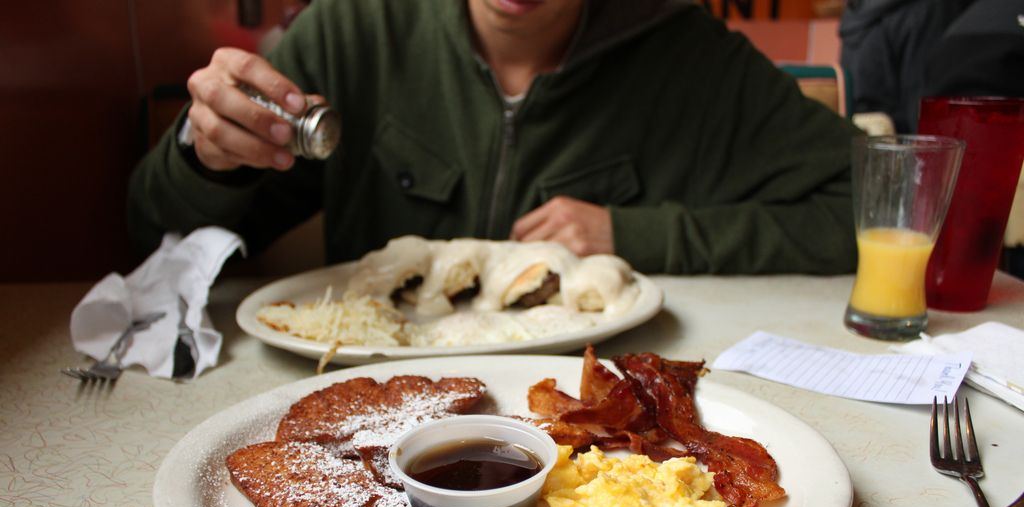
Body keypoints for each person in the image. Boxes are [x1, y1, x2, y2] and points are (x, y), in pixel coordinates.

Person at [127, 0, 860, 276]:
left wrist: (641, 236)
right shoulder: (352, 29)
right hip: (368, 416)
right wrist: (207, 158)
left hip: (602, 434)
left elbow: (875, 209)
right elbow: (155, 243)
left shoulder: (694, 58)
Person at [839, 0, 974, 134]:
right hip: (901, 141)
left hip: (855, 139)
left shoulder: (856, 13)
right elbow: (925, 119)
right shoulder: (927, 8)